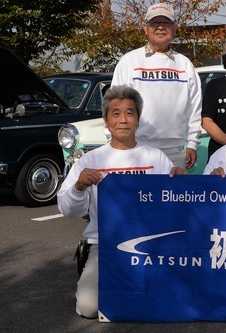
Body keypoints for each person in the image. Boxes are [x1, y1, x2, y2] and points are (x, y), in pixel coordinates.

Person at [57, 85, 186, 319]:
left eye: (130, 113)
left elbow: (174, 207)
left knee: (176, 295)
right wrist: (78, 187)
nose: (123, 120)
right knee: (88, 308)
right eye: (116, 114)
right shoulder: (91, 160)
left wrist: (181, 185)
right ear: (106, 121)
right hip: (105, 245)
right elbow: (67, 210)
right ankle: (94, 268)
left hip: (152, 244)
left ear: (137, 120)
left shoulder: (155, 158)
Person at [112, 2, 202, 170]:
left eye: (166, 22)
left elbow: (194, 108)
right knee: (137, 196)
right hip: (136, 149)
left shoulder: (185, 64)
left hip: (175, 152)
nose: (160, 27)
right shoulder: (129, 61)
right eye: (155, 22)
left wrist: (193, 143)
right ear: (145, 28)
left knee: (174, 196)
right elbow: (114, 106)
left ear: (175, 28)